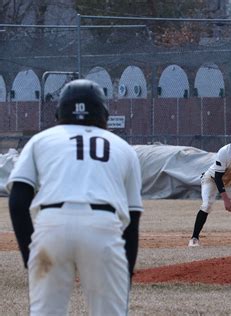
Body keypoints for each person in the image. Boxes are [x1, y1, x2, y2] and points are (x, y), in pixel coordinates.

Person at [7, 79, 144, 315]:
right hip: (103, 227)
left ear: (60, 111)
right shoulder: (124, 148)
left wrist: (30, 258)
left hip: (52, 226)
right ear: (104, 113)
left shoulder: (41, 140)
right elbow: (132, 222)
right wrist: (125, 273)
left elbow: (18, 202)